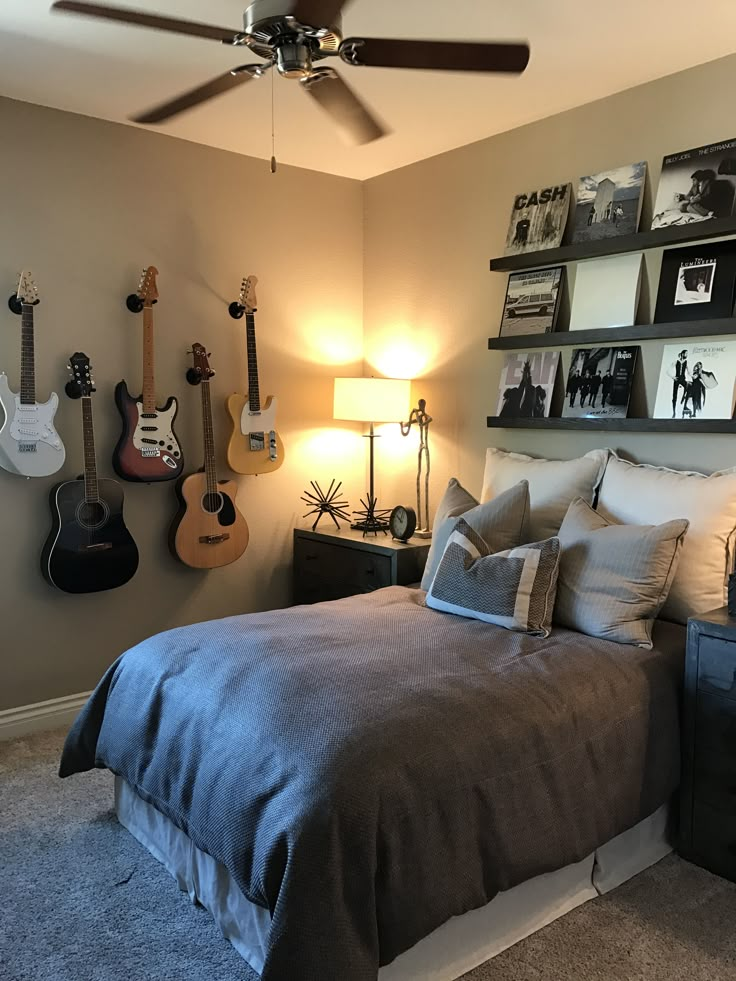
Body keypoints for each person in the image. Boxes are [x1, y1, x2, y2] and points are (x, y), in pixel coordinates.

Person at [669, 349, 690, 418]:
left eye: (687, 354)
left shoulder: (686, 362)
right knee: (674, 396)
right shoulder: (676, 361)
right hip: (677, 380)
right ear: (683, 354)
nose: (687, 355)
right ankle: (674, 412)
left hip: (683, 379)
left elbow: (689, 372)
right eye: (686, 353)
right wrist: (673, 377)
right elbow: (667, 370)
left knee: (687, 386)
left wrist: (693, 376)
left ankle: (683, 397)